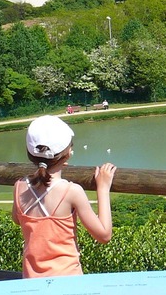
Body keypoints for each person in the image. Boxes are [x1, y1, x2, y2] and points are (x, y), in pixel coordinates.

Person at [13, 115, 115, 278]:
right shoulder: (71, 191)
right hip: (68, 281)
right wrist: (102, 188)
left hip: (31, 281)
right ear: (68, 153)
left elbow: (17, 219)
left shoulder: (19, 186)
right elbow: (104, 235)